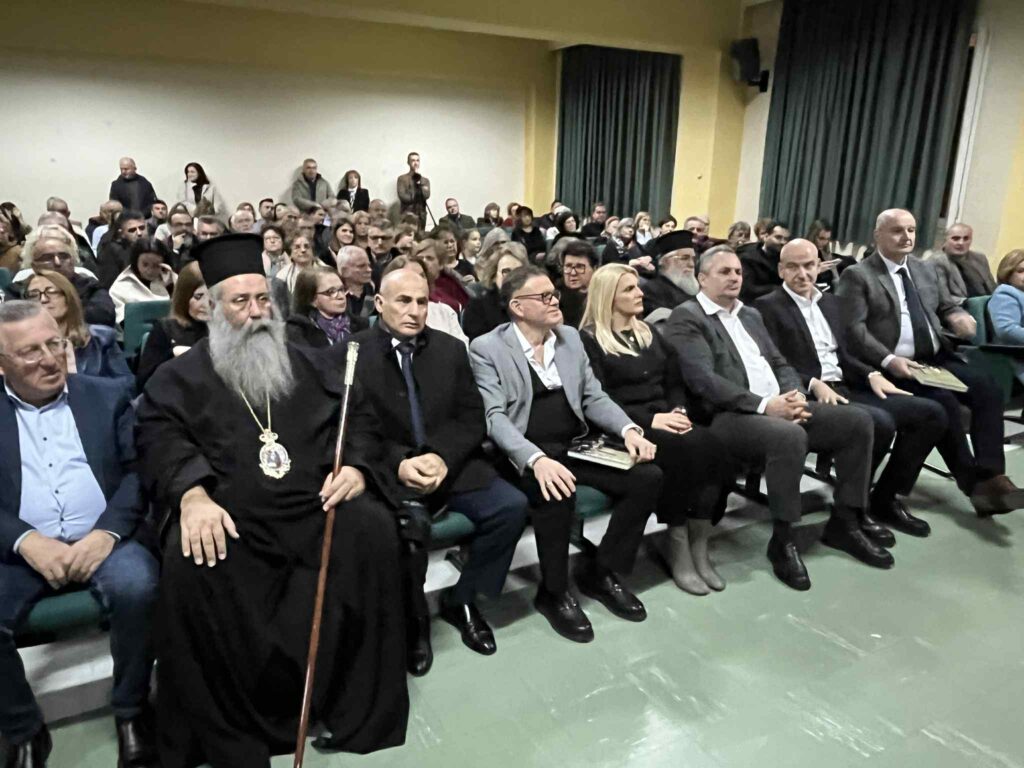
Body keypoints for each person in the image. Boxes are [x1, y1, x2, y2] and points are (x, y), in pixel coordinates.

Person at [135, 233, 408, 767]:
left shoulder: (312, 364)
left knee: (373, 529)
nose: (257, 312)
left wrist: (355, 467)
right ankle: (231, 728)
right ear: (212, 308)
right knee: (190, 559)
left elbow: (359, 420)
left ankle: (349, 704)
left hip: (315, 509)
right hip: (234, 520)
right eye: (240, 301)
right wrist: (192, 495)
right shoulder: (177, 379)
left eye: (263, 299)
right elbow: (158, 438)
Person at [661, 245, 893, 591]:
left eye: (738, 272)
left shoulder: (750, 315)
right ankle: (784, 538)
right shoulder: (688, 316)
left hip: (778, 404)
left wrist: (795, 395)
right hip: (728, 415)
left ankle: (846, 520)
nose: (734, 278)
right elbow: (703, 380)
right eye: (724, 272)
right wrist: (765, 405)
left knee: (857, 422)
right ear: (702, 278)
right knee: (789, 436)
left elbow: (779, 362)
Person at [0, 301, 158, 768]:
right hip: (20, 549)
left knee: (138, 587)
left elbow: (139, 473)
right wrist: (26, 540)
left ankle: (131, 710)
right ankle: (23, 729)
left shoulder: (109, 395)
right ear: (1, 363)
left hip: (105, 539)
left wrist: (106, 533)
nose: (49, 359)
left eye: (55, 344)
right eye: (30, 352)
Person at [344, 268, 527, 672]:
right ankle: (415, 624)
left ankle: (462, 599)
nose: (414, 311)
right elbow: (353, 428)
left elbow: (471, 417)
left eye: (422, 302)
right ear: (379, 304)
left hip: (450, 464)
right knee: (406, 539)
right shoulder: (352, 353)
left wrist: (443, 456)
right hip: (390, 470)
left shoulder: (450, 349)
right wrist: (399, 462)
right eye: (403, 301)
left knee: (511, 507)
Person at [469, 266, 661, 642]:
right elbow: (494, 418)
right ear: (517, 307)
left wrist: (628, 429)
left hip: (575, 445)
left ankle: (600, 571)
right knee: (557, 491)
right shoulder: (487, 348)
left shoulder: (569, 338)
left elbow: (592, 396)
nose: (555, 300)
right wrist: (536, 459)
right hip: (524, 453)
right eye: (544, 297)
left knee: (647, 478)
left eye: (553, 293)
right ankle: (554, 592)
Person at [836, 208, 1024, 516]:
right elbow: (853, 331)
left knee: (988, 389)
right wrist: (889, 359)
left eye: (911, 230)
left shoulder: (924, 269)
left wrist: (958, 317)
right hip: (889, 365)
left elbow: (947, 306)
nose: (906, 236)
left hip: (934, 358)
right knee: (942, 402)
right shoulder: (858, 275)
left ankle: (991, 476)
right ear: (878, 235)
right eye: (897, 230)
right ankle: (974, 485)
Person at [756, 239, 948, 540]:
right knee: (879, 422)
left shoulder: (832, 303)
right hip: (806, 391)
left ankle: (882, 497)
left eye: (808, 265)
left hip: (845, 386)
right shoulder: (766, 307)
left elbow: (846, 354)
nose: (802, 273)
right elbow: (773, 361)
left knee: (931, 414)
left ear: (819, 266)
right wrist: (812, 383)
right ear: (781, 270)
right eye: (793, 267)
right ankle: (851, 510)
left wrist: (871, 373)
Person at [580, 264, 733, 594]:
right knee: (684, 452)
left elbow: (673, 381)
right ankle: (677, 539)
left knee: (716, 447)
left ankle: (699, 540)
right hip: (625, 426)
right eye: (629, 289)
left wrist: (676, 410)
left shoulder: (649, 332)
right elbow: (599, 398)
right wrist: (650, 421)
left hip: (666, 417)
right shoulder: (589, 341)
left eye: (637, 286)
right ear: (608, 297)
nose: (640, 293)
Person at [24, 270, 132, 386]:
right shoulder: (21, 346)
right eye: (33, 295)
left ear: (68, 297)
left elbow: (126, 384)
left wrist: (77, 382)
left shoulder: (102, 339)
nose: (43, 299)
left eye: (51, 292)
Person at [21, 225, 117, 326]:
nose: (57, 263)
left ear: (73, 260)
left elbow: (103, 315)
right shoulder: (19, 290)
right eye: (47, 257)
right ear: (33, 265)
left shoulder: (90, 288)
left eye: (64, 256)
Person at [136, 262, 209, 390]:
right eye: (198, 296)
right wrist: (172, 355)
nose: (206, 304)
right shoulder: (165, 330)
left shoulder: (227, 329)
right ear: (185, 296)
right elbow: (144, 382)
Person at [384, 256, 468, 345]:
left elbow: (462, 347)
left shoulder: (445, 312)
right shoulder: (388, 312)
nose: (418, 281)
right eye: (410, 276)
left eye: (422, 276)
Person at [286, 265, 367, 348]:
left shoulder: (361, 325)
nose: (341, 296)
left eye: (342, 289)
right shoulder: (299, 329)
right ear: (312, 300)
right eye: (331, 292)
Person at [463, 244, 529, 339]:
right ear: (494, 275)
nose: (512, 276)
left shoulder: (532, 300)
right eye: (506, 271)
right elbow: (478, 343)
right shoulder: (478, 304)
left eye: (518, 272)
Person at [109, 237, 176, 324]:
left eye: (156, 265)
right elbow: (122, 322)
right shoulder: (120, 288)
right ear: (135, 262)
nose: (150, 271)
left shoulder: (173, 280)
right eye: (145, 265)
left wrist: (172, 287)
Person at [929, 223, 996, 304]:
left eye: (966, 239)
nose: (961, 243)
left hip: (986, 305)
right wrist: (972, 303)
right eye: (955, 238)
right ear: (945, 240)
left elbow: (992, 288)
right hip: (958, 307)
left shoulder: (980, 258)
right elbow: (941, 297)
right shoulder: (936, 262)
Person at [641, 230, 700, 316]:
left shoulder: (699, 288)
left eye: (693, 259)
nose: (691, 264)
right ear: (664, 261)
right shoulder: (651, 290)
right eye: (684, 258)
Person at [736, 219, 791, 302]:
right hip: (754, 303)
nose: (783, 242)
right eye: (778, 237)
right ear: (765, 237)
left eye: (786, 239)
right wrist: (779, 289)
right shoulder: (748, 257)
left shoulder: (786, 258)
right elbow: (747, 290)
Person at [96, 209, 148, 289]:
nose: (139, 233)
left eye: (142, 228)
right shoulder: (112, 250)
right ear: (121, 233)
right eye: (132, 230)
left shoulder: (152, 246)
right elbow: (108, 284)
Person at [423, 234, 470, 313]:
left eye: (429, 258)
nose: (423, 262)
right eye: (419, 258)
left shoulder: (451, 284)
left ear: (440, 264)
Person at [557, 239, 597, 328]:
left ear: (594, 269)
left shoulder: (603, 295)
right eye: (568, 266)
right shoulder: (555, 297)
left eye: (579, 267)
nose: (573, 273)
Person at [337, 245, 375, 319]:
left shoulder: (374, 290)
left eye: (369, 265)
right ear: (344, 271)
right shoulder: (334, 295)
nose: (369, 270)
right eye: (361, 266)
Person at [397, 152, 431, 229]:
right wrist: (418, 194)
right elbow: (403, 197)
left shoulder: (425, 180)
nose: (415, 163)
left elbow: (426, 195)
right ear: (408, 162)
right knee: (407, 233)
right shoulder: (402, 179)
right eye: (413, 160)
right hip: (407, 213)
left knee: (421, 234)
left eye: (417, 160)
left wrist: (418, 179)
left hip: (421, 214)